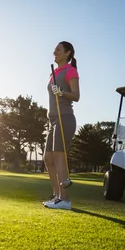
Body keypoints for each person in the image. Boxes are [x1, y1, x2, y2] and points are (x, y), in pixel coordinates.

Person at [43, 41, 80, 210]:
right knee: (48, 158)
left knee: (59, 157)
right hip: (53, 120)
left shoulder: (70, 70)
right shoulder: (54, 73)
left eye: (58, 49)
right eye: (54, 50)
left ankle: (64, 199)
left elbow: (76, 96)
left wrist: (62, 92)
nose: (54, 52)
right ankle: (57, 195)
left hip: (64, 118)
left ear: (68, 53)